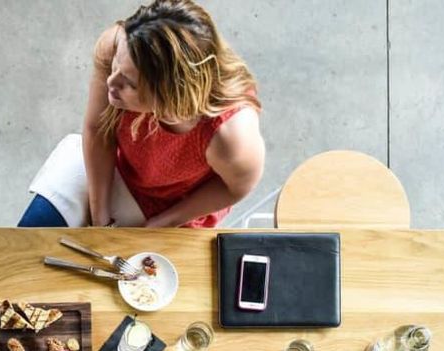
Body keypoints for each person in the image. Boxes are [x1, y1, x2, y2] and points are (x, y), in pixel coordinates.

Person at [19, 0, 264, 228]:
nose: (111, 83)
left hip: (173, 208)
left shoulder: (231, 136)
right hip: (113, 168)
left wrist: (159, 225)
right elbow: (97, 130)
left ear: (171, 95)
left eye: (129, 84)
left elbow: (235, 188)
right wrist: (100, 221)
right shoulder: (117, 44)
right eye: (115, 65)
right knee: (28, 241)